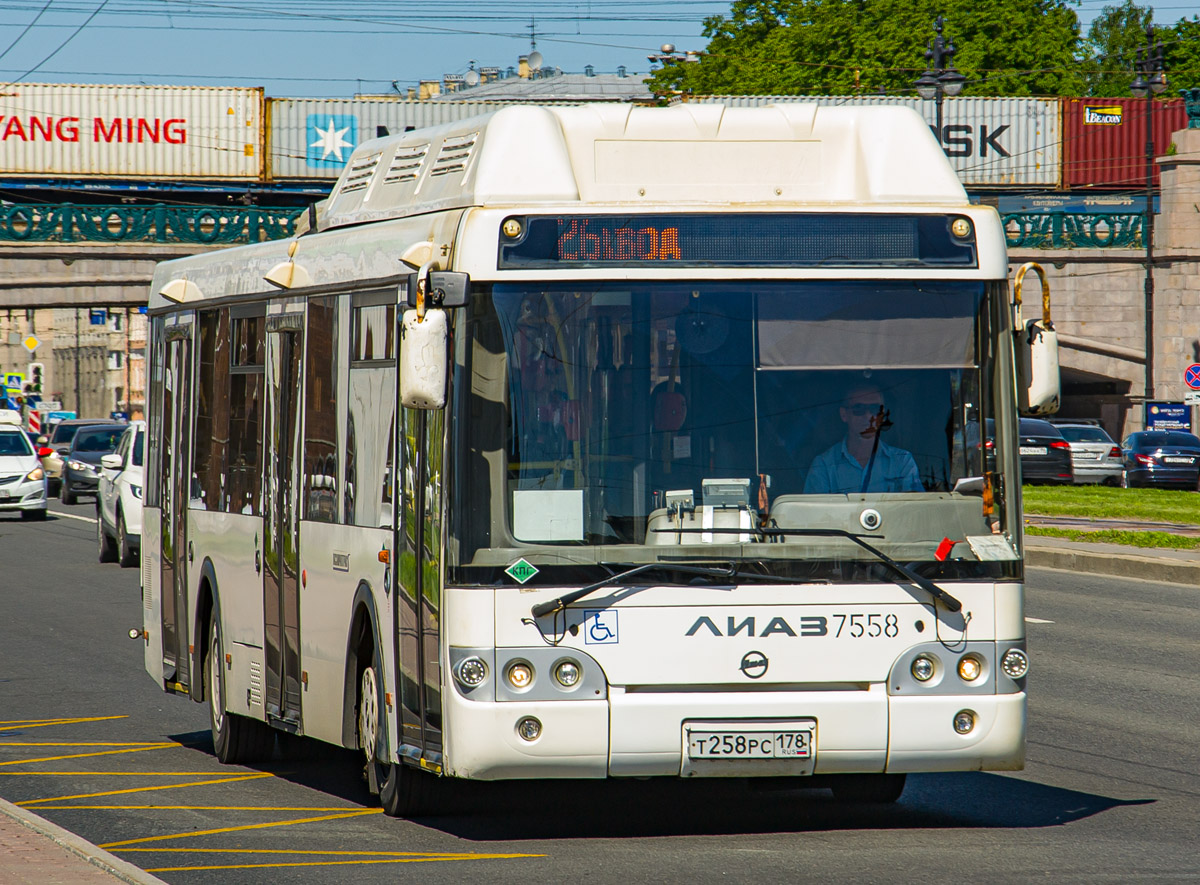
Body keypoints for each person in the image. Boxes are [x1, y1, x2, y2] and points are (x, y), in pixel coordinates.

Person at [804, 384, 923, 494]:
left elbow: (913, 512)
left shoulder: (902, 461)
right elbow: (816, 514)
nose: (868, 416)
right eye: (859, 409)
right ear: (844, 414)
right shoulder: (824, 464)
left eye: (875, 409)